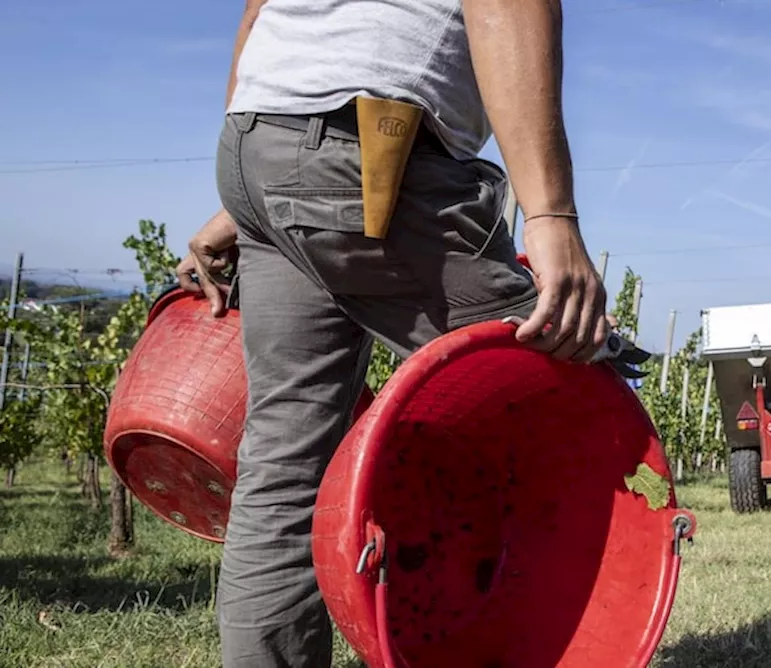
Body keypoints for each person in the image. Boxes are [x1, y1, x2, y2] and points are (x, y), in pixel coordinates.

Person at [174, 2, 608, 666]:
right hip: (369, 148)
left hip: (262, 143)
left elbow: (261, 10)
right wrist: (549, 214)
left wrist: (265, 185)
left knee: (284, 470)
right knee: (572, 378)